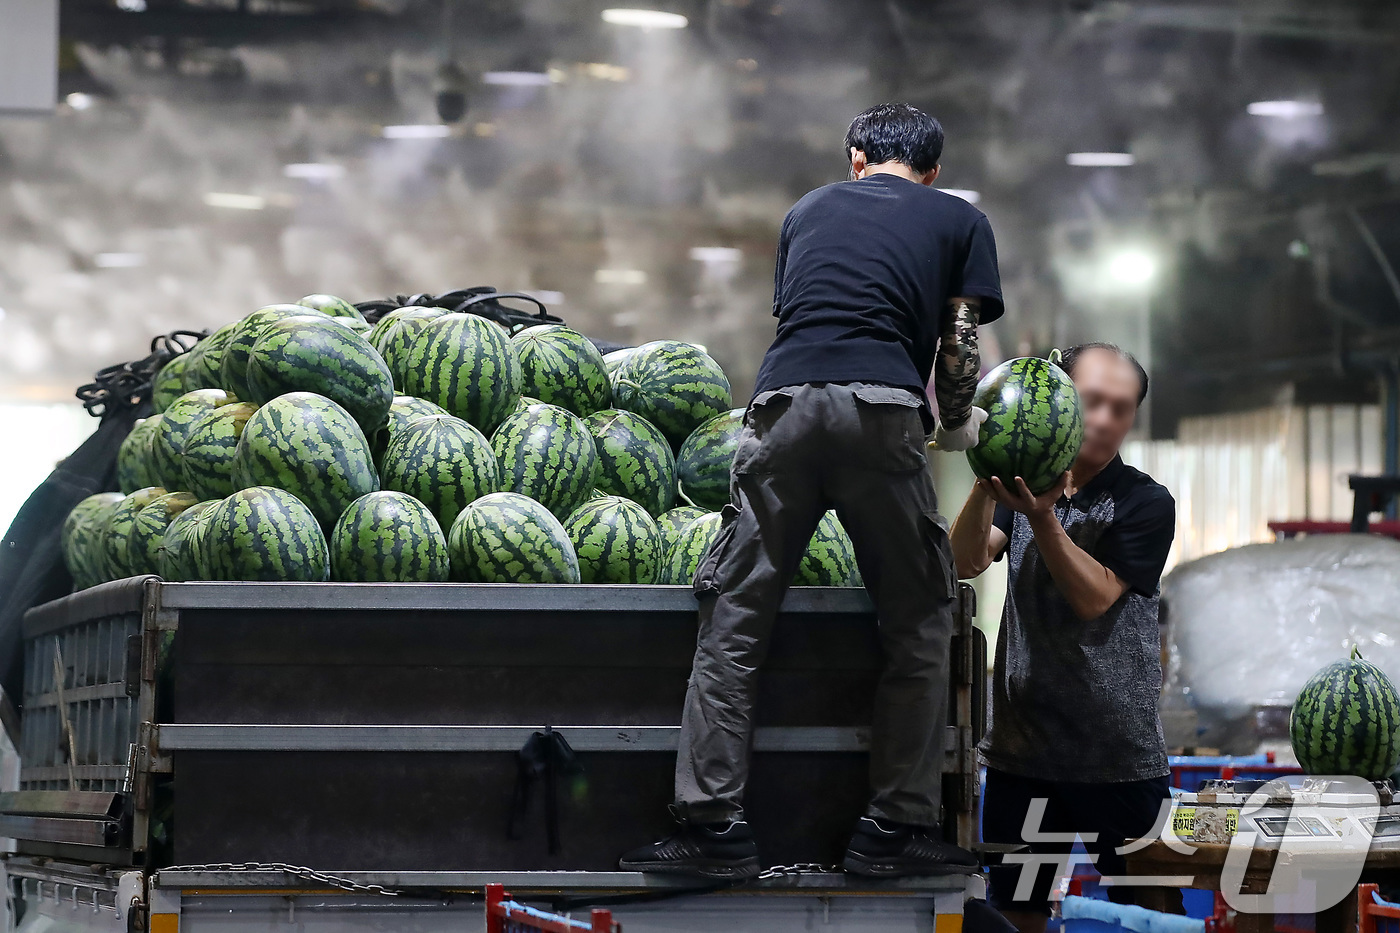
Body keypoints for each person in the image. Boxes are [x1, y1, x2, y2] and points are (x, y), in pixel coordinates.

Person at [619, 102, 1004, 879]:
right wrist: (957, 423)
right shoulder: (959, 219)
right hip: (883, 412)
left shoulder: (806, 210)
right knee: (920, 618)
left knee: (735, 616)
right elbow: (957, 343)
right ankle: (892, 827)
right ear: (932, 172)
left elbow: (806, 317)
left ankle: (711, 826)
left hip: (781, 410)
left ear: (856, 157)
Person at [947, 343, 1177, 933]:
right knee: (1018, 913)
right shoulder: (1022, 488)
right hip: (1024, 755)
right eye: (1093, 401)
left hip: (1117, 758)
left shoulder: (1145, 502)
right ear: (1061, 398)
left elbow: (1094, 598)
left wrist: (1043, 516)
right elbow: (965, 560)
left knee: (1147, 917)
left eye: (1121, 409)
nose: (1104, 420)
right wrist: (986, 475)